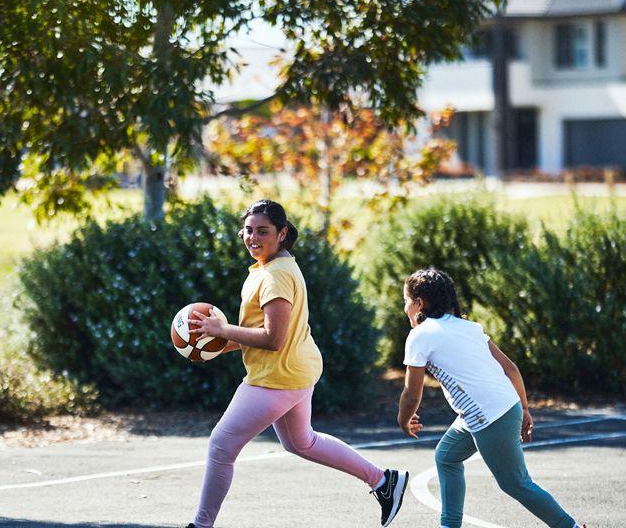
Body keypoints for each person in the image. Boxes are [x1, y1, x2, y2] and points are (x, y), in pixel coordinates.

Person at [184, 199, 408, 528]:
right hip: (296, 369)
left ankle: (201, 526)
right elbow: (263, 332)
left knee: (220, 446)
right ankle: (383, 481)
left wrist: (222, 330)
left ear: (283, 232)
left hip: (278, 377)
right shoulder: (273, 266)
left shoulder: (275, 275)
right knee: (302, 442)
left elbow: (274, 338)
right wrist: (216, 344)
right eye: (248, 230)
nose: (253, 237)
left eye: (263, 231)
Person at [397, 267, 586, 528]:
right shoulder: (468, 327)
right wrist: (524, 408)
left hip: (489, 415)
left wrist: (404, 419)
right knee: (447, 457)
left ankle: (571, 527)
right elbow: (511, 369)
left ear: (419, 303)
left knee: (516, 484)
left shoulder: (419, 336)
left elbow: (411, 392)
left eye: (406, 301)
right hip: (501, 407)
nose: (405, 307)